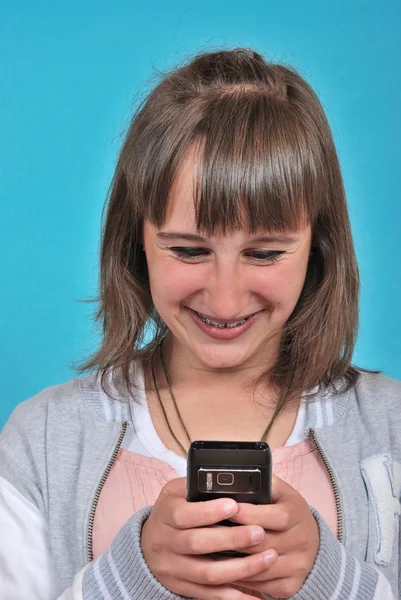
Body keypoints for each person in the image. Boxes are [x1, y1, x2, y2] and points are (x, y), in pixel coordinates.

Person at [0, 47, 399, 600]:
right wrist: (130, 576)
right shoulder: (41, 442)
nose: (226, 296)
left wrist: (328, 578)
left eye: (264, 254)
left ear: (319, 248)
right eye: (189, 250)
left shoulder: (392, 429)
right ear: (135, 242)